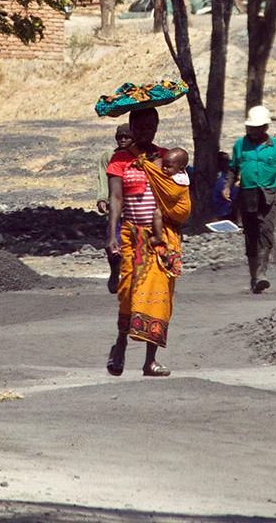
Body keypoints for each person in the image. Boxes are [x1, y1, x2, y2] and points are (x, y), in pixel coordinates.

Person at [107, 108, 189, 377]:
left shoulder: (166, 158)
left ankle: (150, 361)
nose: (146, 132)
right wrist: (112, 236)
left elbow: (176, 192)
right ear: (131, 127)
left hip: (159, 239)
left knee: (158, 296)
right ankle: (120, 345)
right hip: (131, 236)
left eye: (151, 127)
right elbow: (116, 199)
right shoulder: (120, 160)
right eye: (140, 127)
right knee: (128, 292)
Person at [225, 105, 276, 294]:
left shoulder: (275, 146)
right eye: (250, 127)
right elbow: (233, 168)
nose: (252, 131)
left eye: (256, 127)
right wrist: (227, 186)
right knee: (251, 236)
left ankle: (262, 274)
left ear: (265, 128)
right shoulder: (240, 145)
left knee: (266, 234)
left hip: (269, 195)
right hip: (247, 196)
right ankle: (254, 276)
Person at [94, 123, 134, 292]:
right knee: (113, 242)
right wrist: (102, 198)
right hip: (116, 206)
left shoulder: (139, 156)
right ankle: (114, 271)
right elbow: (103, 178)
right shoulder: (109, 156)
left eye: (127, 136)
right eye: (120, 137)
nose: (123, 140)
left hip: (135, 207)